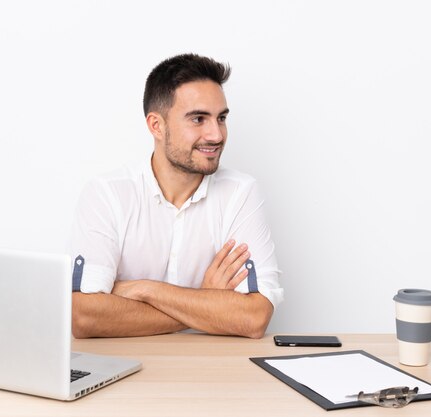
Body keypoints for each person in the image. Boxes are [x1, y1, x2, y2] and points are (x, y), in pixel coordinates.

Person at [68, 53, 283, 339]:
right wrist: (205, 301)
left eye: (221, 118)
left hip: (211, 372)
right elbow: (84, 318)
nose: (216, 135)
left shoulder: (240, 193)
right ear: (156, 125)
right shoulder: (108, 194)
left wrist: (145, 290)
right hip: (123, 372)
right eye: (198, 119)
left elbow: (254, 317)